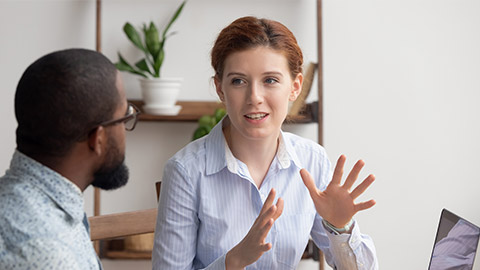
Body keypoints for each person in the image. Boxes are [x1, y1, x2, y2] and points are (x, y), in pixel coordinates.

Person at [153, 16, 378, 270]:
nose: (254, 97)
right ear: (220, 88)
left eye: (270, 80)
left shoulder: (311, 160)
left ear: (295, 87)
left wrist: (341, 228)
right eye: (238, 81)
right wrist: (233, 261)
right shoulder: (186, 171)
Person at [0, 48, 139, 269]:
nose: (126, 129)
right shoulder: (48, 253)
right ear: (98, 138)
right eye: (124, 117)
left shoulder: (25, 203)